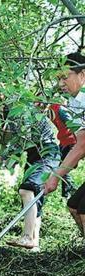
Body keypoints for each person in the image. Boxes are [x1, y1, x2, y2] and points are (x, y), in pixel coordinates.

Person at [0, 104, 60, 251]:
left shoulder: (21, 112)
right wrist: (3, 156)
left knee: (26, 190)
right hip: (33, 154)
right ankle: (34, 242)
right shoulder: (16, 114)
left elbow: (22, 139)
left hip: (47, 153)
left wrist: (4, 156)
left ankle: (27, 237)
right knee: (35, 195)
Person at [45, 52, 85, 238]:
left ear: (82, 75)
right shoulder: (75, 103)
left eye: (64, 77)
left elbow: (82, 145)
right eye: (58, 78)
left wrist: (56, 175)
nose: (61, 84)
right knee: (74, 206)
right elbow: (80, 142)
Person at [48, 102, 78, 198]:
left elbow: (73, 126)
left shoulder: (59, 109)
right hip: (64, 141)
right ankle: (67, 193)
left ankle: (70, 191)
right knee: (61, 166)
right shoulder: (49, 111)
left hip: (71, 141)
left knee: (64, 167)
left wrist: (77, 144)